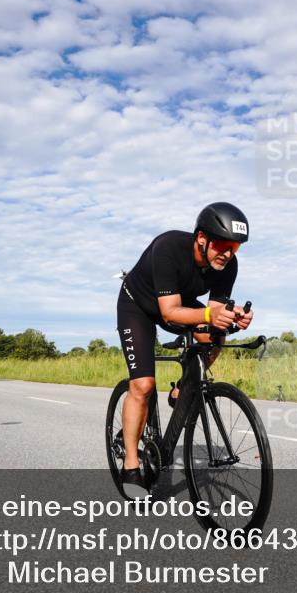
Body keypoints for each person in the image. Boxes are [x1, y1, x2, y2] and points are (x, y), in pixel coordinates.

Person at [117, 202, 254, 498]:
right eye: (221, 245)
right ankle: (131, 465)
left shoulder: (227, 265)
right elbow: (169, 313)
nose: (228, 254)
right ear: (201, 238)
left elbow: (216, 309)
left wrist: (234, 317)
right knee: (142, 385)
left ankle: (183, 387)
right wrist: (207, 316)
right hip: (138, 306)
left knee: (217, 334)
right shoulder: (169, 247)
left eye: (235, 247)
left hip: (178, 303)